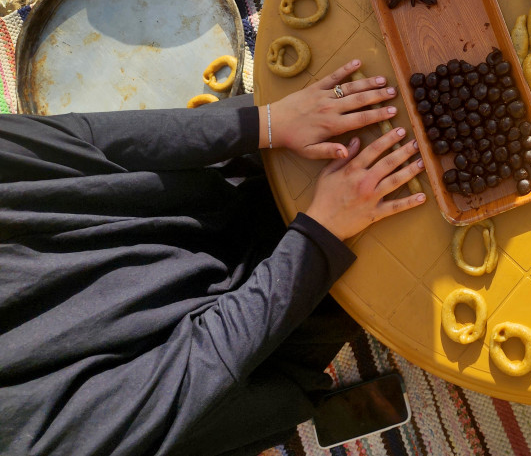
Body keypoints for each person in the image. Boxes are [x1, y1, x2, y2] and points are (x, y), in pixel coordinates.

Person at [0, 61, 424, 456]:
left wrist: (268, 123)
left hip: (201, 199)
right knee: (409, 245)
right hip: (242, 341)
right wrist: (321, 236)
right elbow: (196, 372)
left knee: (372, 93)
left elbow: (87, 138)